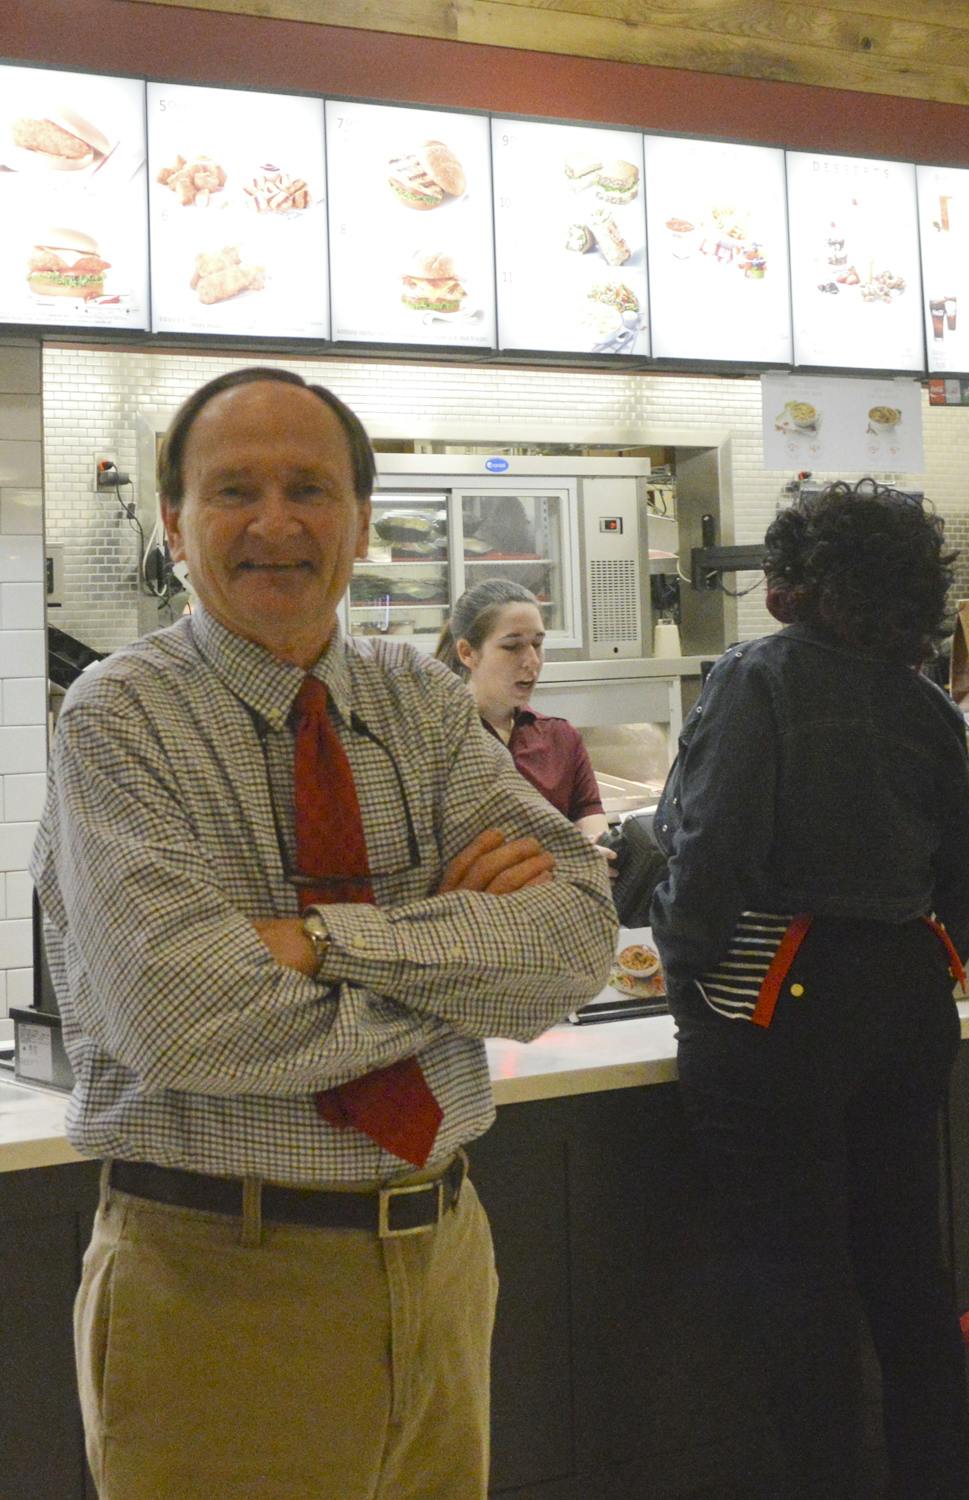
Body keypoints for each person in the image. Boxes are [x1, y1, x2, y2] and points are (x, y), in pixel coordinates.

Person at [30, 367, 617, 1500]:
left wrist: (317, 941)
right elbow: (184, 1016)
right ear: (174, 522)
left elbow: (573, 940)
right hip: (215, 1282)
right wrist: (449, 941)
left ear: (357, 523)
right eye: (232, 488)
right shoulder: (120, 713)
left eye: (310, 487)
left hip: (445, 1256)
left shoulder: (421, 700)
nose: (274, 521)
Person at [650, 478, 969, 1500]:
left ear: (797, 585)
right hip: (907, 1000)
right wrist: (927, 969)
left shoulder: (761, 678)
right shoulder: (924, 699)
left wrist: (682, 971)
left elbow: (707, 854)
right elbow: (961, 874)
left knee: (797, 1289)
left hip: (778, 1006)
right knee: (905, 1270)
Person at [435, 578, 610, 845]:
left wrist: (598, 850)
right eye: (512, 646)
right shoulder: (440, 740)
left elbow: (590, 818)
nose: (532, 662)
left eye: (537, 644)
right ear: (467, 652)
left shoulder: (560, 737)